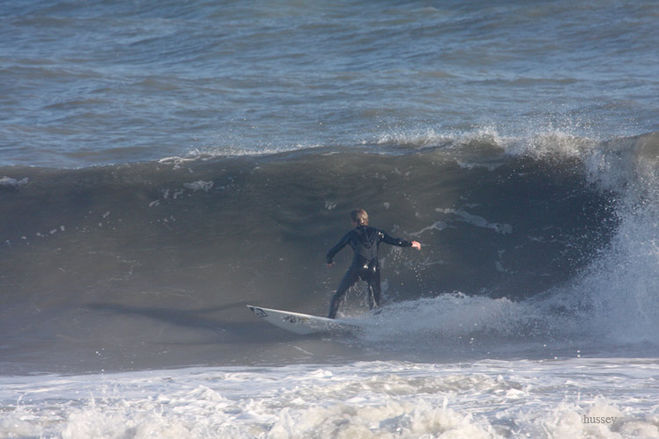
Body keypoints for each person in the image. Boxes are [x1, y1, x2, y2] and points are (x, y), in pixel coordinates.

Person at [326, 209, 421, 319]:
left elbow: (333, 250)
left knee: (339, 294)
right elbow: (395, 241)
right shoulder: (378, 232)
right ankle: (374, 322)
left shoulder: (351, 234)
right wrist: (411, 243)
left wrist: (329, 260)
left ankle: (331, 319)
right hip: (373, 269)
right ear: (366, 220)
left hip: (357, 267)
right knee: (374, 301)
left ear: (353, 222)